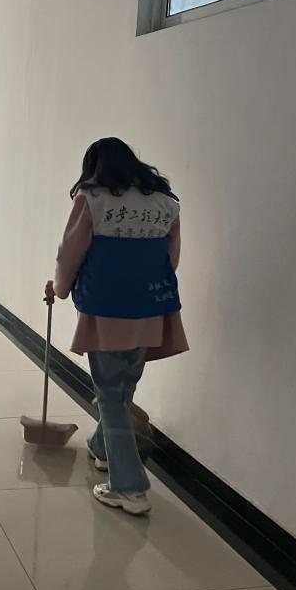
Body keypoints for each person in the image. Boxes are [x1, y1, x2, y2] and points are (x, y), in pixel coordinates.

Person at [46, 138, 188, 515]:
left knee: (110, 394)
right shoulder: (166, 202)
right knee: (122, 387)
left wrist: (60, 289)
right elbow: (171, 258)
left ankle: (129, 488)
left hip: (106, 309)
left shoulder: (92, 198)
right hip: (151, 307)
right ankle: (103, 449)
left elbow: (70, 252)